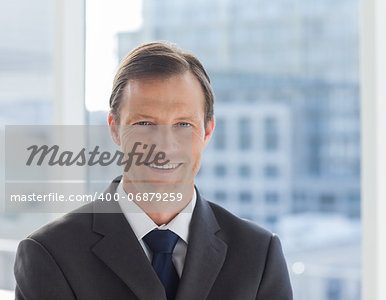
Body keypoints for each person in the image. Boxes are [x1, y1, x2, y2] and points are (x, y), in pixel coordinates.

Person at [14, 42, 293, 300]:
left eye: (183, 125)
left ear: (207, 131)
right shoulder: (50, 253)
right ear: (115, 128)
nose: (164, 145)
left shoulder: (258, 255)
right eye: (145, 124)